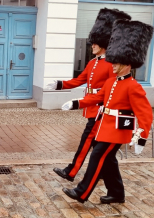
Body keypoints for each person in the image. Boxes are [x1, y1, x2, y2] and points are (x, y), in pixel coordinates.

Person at [61, 19, 154, 204]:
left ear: (127, 64)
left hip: (118, 132)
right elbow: (96, 98)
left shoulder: (133, 86)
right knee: (109, 161)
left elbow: (145, 113)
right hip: (105, 127)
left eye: (116, 63)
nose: (112, 66)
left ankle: (82, 192)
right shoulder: (111, 82)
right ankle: (117, 193)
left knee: (98, 156)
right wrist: (76, 103)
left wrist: (142, 137)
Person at [46, 8, 131, 182]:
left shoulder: (111, 64)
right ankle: (114, 188)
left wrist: (84, 102)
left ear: (103, 43)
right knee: (104, 156)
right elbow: (79, 80)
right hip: (91, 108)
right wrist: (59, 84)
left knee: (86, 143)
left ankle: (71, 171)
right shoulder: (93, 62)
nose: (91, 45)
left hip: (100, 111)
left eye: (95, 43)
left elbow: (109, 90)